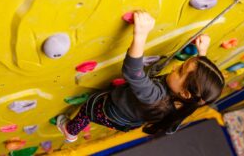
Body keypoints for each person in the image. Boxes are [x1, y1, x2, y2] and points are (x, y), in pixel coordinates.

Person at [57, 11, 225, 142]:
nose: (175, 67)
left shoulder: (156, 97)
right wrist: (202, 53)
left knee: (89, 108)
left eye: (180, 71)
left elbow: (133, 73)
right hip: (129, 119)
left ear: (185, 92)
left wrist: (140, 35)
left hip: (110, 112)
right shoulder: (190, 102)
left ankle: (70, 131)